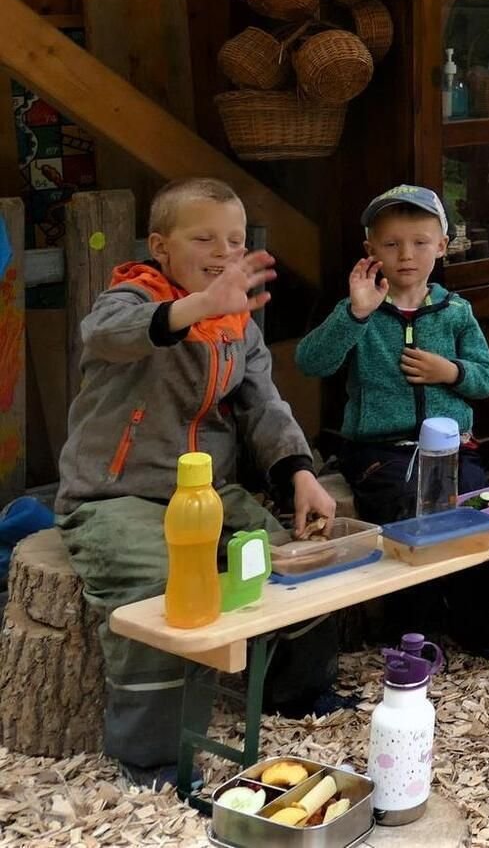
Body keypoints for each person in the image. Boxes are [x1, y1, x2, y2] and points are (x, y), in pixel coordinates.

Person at [56, 177, 341, 788]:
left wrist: (299, 472)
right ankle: (152, 755)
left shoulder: (239, 323)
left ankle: (298, 693)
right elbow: (107, 336)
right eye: (203, 236)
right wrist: (197, 308)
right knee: (159, 593)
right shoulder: (130, 298)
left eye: (235, 240)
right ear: (161, 246)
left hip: (205, 491)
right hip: (116, 495)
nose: (222, 250)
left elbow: (264, 402)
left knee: (294, 560)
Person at [295, 185, 489, 655]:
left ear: (442, 245)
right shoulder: (361, 310)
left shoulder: (454, 312)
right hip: (380, 452)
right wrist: (355, 313)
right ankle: (416, 626)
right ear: (371, 251)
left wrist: (450, 372)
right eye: (391, 245)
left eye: (419, 242)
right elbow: (311, 361)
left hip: (453, 448)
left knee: (480, 514)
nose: (406, 255)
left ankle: (473, 613)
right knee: (409, 512)